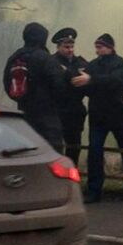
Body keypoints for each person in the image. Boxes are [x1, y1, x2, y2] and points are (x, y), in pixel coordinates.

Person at [72, 33, 123, 203]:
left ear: (111, 47)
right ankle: (94, 189)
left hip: (119, 115)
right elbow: (88, 88)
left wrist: (92, 80)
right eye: (96, 47)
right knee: (95, 151)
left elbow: (119, 82)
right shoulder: (92, 66)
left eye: (101, 46)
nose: (98, 50)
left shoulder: (121, 64)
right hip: (99, 116)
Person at [3, 22, 65, 152]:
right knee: (52, 154)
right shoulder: (46, 58)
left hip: (23, 113)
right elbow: (59, 85)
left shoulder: (15, 57)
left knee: (27, 151)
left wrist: (22, 99)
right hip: (47, 116)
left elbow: (7, 83)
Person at [51, 27, 89, 167]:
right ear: (58, 47)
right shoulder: (51, 62)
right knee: (55, 146)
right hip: (57, 110)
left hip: (75, 112)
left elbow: (82, 82)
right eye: (66, 47)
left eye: (72, 46)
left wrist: (68, 72)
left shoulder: (81, 62)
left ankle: (72, 174)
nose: (70, 50)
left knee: (74, 147)